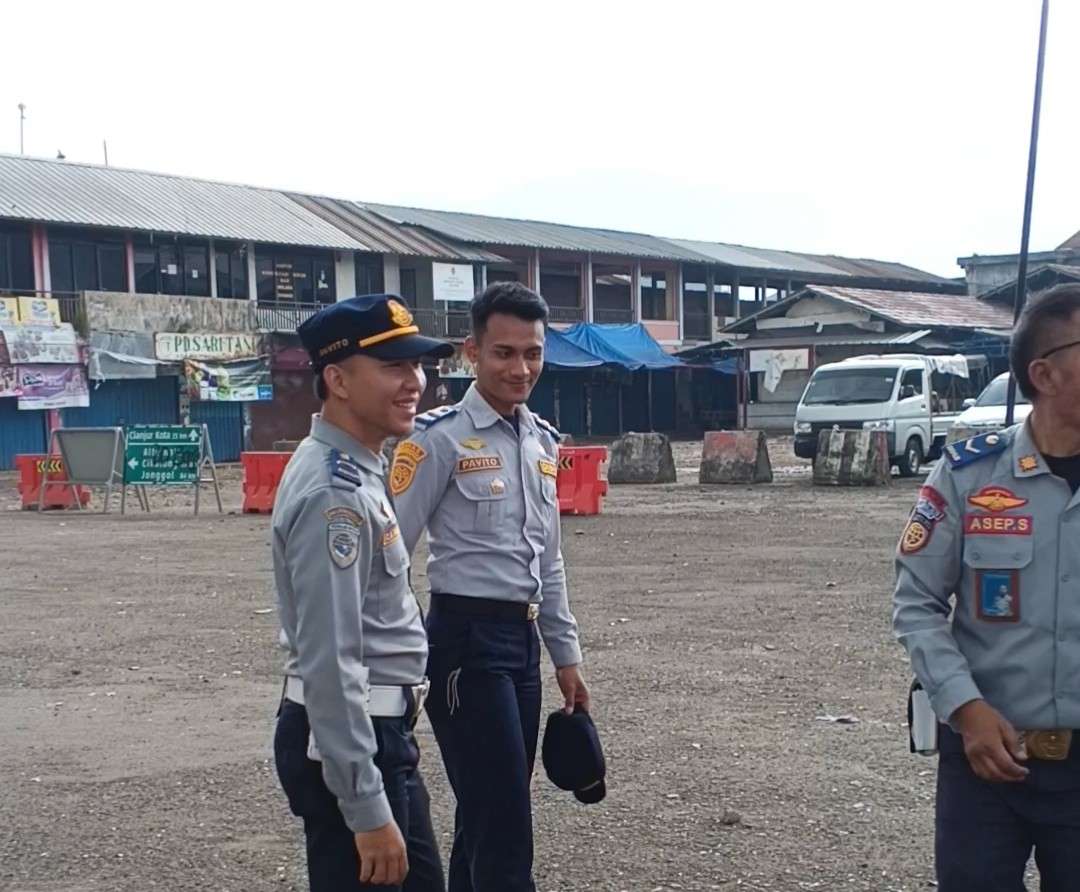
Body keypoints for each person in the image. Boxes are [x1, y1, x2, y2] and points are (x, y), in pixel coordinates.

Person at [391, 282, 591, 892]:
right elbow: (388, 554)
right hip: (464, 644)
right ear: (472, 351)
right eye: (504, 353)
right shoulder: (437, 438)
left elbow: (547, 560)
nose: (520, 369)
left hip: (521, 643)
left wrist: (566, 656)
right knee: (504, 821)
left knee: (486, 812)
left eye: (532, 353)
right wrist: (399, 654)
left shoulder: (542, 441)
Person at [894, 282, 1080, 891]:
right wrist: (966, 709)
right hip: (986, 760)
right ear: (1044, 375)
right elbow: (916, 601)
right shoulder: (969, 476)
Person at [272, 294, 453, 891]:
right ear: (338, 380)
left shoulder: (359, 466)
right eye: (393, 366)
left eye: (417, 365)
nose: (414, 382)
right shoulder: (336, 494)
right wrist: (365, 806)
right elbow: (330, 660)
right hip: (354, 740)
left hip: (378, 736)